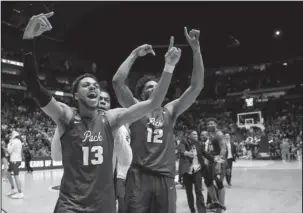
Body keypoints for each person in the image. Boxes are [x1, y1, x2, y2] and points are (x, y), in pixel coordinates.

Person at [22, 12, 178, 213]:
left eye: (95, 85)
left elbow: (154, 102)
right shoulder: (66, 115)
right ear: (76, 95)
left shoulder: (111, 118)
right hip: (71, 206)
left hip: (103, 207)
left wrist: (169, 66)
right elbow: (34, 85)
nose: (93, 87)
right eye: (86, 85)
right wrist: (28, 39)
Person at [113, 27, 204, 213]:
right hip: (138, 175)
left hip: (165, 176)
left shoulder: (170, 110)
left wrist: (196, 50)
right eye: (149, 86)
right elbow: (117, 82)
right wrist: (134, 54)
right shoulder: (135, 107)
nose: (154, 88)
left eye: (157, 85)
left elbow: (196, 87)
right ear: (141, 93)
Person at [205, 118, 227, 212]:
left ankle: (220, 207)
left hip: (218, 161)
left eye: (212, 123)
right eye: (208, 124)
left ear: (216, 125)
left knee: (219, 183)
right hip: (211, 161)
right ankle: (215, 202)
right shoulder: (210, 135)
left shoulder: (219, 134)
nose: (210, 125)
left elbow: (223, 149)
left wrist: (219, 162)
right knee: (208, 182)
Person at [5, 131, 24, 199]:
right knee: (8, 173)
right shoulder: (18, 141)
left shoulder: (14, 142)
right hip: (14, 160)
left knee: (16, 176)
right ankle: (13, 189)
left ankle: (20, 193)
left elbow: (9, 151)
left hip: (15, 161)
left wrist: (8, 144)